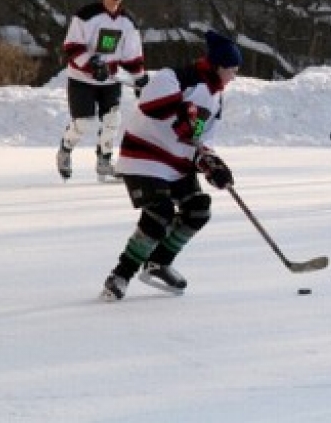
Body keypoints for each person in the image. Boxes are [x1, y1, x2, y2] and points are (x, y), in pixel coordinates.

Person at [99, 30, 242, 301]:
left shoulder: (216, 98)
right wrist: (181, 113)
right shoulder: (176, 76)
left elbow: (200, 140)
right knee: (160, 213)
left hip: (176, 165)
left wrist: (211, 165)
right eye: (232, 69)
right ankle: (120, 275)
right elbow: (150, 105)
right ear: (218, 65)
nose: (234, 76)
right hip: (144, 158)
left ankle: (158, 263)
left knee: (198, 210)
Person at [57, 0, 147, 182]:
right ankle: (65, 149)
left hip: (110, 80)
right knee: (84, 122)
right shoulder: (86, 16)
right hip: (81, 79)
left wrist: (139, 79)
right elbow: (71, 46)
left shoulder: (128, 22)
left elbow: (133, 56)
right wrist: (91, 65)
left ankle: (104, 161)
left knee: (113, 119)